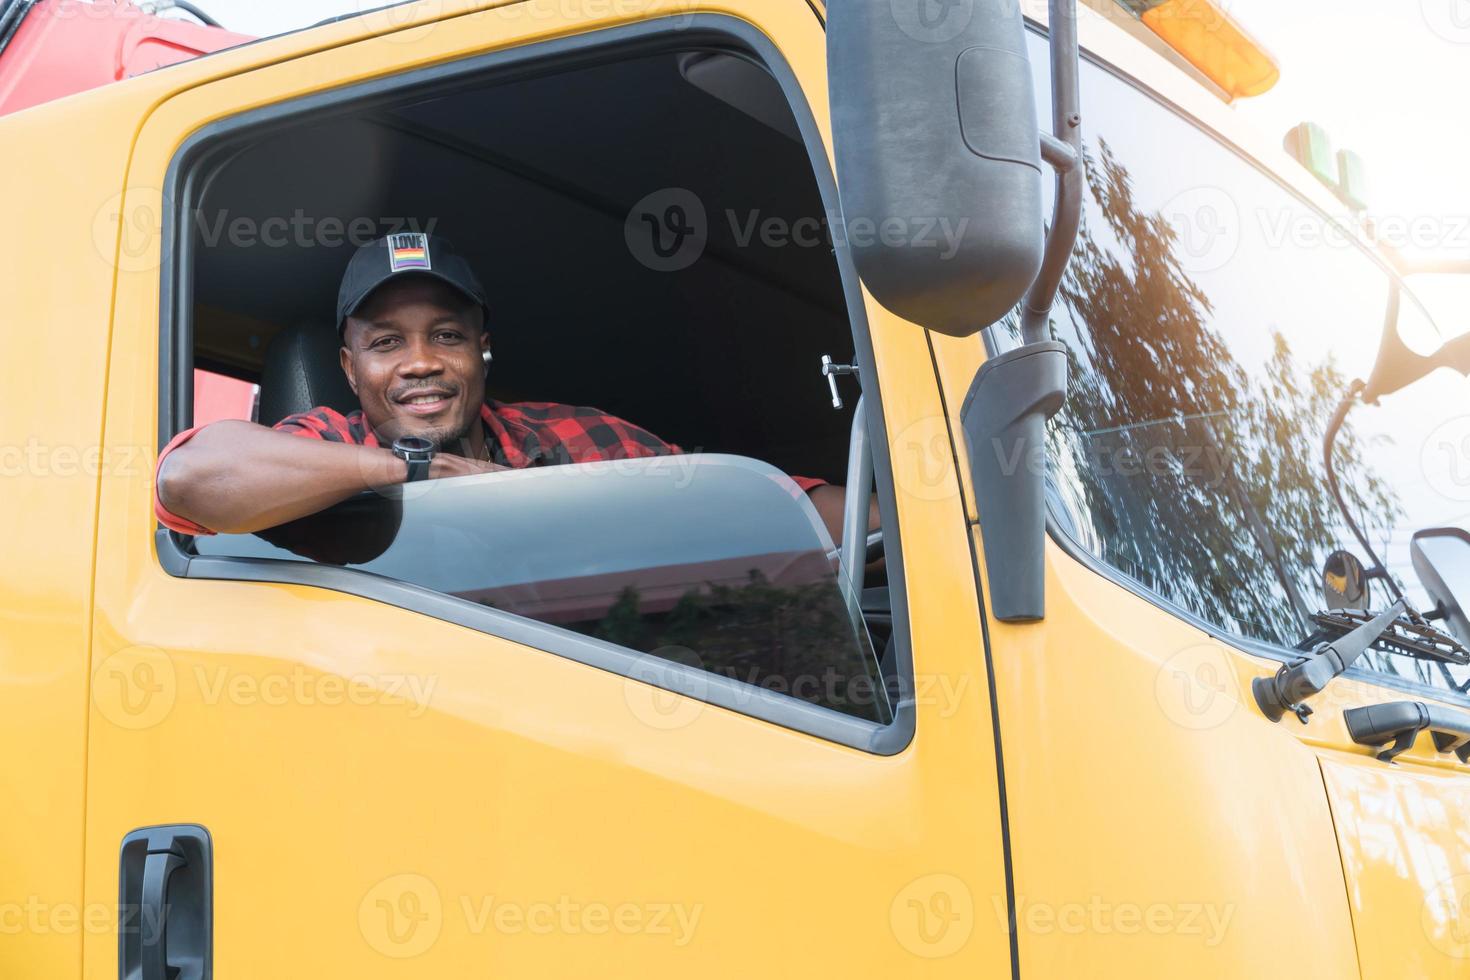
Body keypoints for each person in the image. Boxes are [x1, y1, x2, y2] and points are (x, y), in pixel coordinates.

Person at [155, 233, 868, 544]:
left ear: (482, 349)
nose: (420, 362)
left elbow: (742, 503)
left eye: (447, 335)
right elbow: (190, 480)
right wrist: (417, 468)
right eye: (386, 342)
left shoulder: (574, 437)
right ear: (348, 370)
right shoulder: (327, 446)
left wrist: (911, 533)